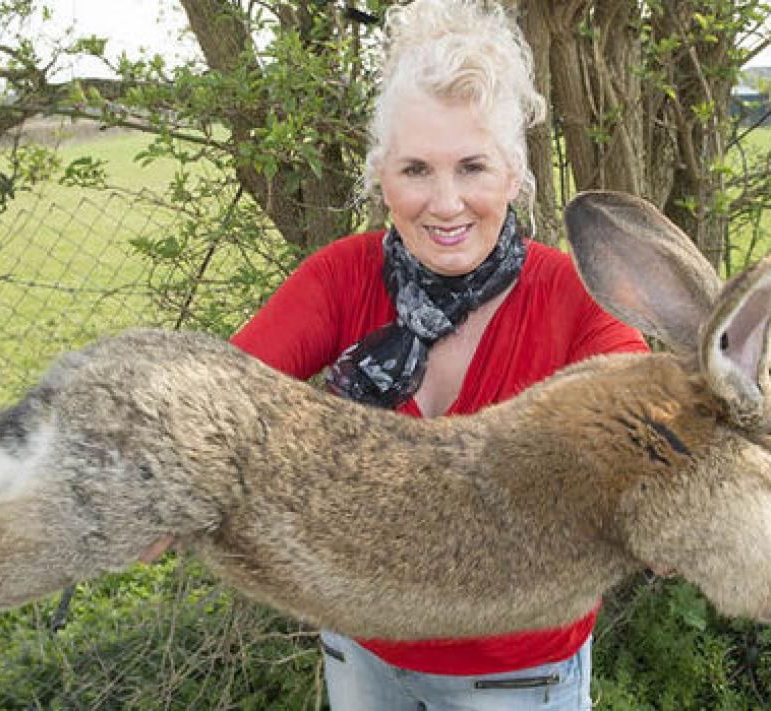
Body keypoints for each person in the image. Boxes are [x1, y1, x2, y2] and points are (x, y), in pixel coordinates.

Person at [229, 0, 647, 707]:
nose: (445, 203)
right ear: (381, 175)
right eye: (416, 169)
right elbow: (213, 399)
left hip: (517, 676)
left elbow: (651, 433)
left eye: (473, 167)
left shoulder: (575, 300)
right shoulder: (341, 277)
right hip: (361, 649)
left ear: (514, 174)